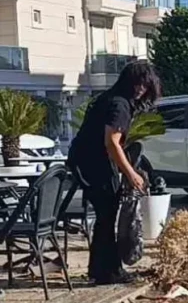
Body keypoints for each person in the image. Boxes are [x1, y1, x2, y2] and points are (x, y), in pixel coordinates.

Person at [67, 60, 162, 285]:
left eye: (145, 85)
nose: (140, 89)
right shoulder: (120, 105)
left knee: (105, 216)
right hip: (93, 163)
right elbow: (111, 142)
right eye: (137, 83)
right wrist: (131, 174)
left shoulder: (111, 99)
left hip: (87, 160)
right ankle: (108, 271)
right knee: (106, 215)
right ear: (127, 82)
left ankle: (101, 269)